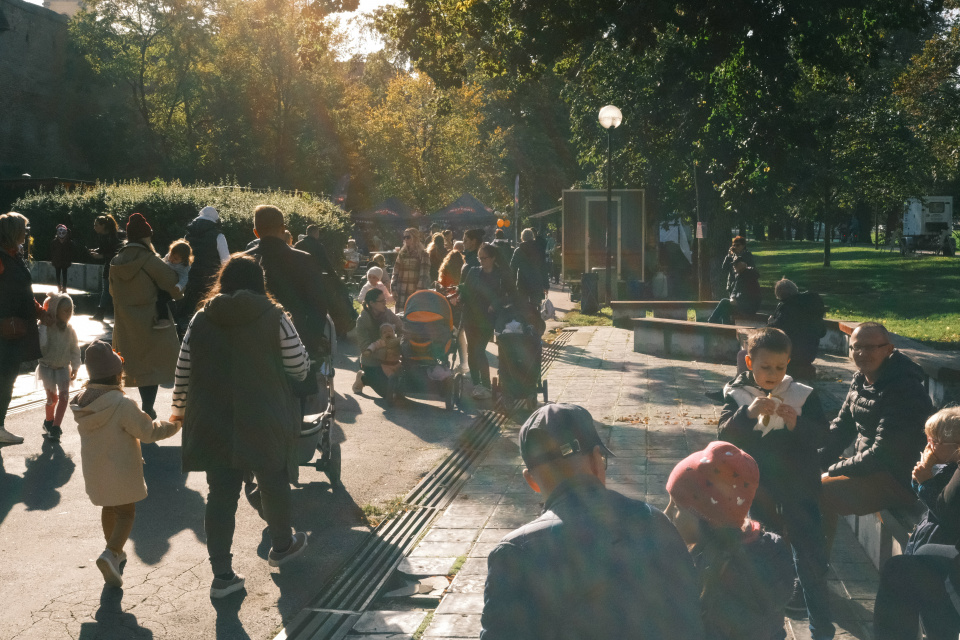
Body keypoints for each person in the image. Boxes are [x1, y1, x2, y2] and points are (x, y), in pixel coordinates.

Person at [480, 403, 704, 640]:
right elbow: (691, 619)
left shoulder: (513, 554)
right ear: (598, 460)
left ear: (531, 481)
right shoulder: (654, 521)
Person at [172, 255, 311, 598]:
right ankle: (282, 545)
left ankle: (222, 575)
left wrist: (178, 412)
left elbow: (183, 370)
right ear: (258, 283)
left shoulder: (201, 319)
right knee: (272, 481)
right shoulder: (274, 316)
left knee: (220, 494)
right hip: (264, 414)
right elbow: (299, 365)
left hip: (212, 418)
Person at [718, 327, 834, 639]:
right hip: (759, 490)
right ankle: (768, 628)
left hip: (800, 488)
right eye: (765, 367)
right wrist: (747, 414)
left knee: (809, 558)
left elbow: (822, 436)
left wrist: (798, 423)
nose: (772, 374)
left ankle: (821, 627)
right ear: (749, 362)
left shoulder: (802, 395)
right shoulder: (738, 394)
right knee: (764, 556)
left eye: (780, 367)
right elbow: (724, 438)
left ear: (788, 364)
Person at [71, 340, 180, 588]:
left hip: (95, 469)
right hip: (120, 469)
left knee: (109, 508)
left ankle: (115, 555)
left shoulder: (83, 402)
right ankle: (111, 552)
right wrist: (174, 424)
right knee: (126, 513)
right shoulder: (121, 404)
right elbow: (148, 432)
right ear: (117, 374)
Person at [819, 322, 933, 553]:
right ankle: (806, 569)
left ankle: (813, 573)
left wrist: (833, 469)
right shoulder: (861, 379)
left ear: (888, 349)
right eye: (856, 347)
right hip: (872, 469)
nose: (861, 353)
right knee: (800, 481)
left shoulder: (904, 389)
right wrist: (815, 458)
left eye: (871, 347)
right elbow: (842, 428)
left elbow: (884, 454)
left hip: (899, 479)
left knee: (816, 493)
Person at [665, 441, 795, 639]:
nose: (666, 513)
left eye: (676, 506)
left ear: (707, 519)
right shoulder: (765, 551)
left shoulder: (715, 578)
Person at [874, 407, 960, 640]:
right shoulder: (944, 467)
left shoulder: (951, 470)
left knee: (936, 616)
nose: (929, 445)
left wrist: (925, 481)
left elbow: (946, 510)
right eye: (928, 439)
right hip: (931, 540)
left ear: (957, 447)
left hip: (944, 546)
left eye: (936, 441)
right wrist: (921, 478)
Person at [109, 213, 184, 419]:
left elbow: (112, 292)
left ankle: (134, 410)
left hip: (125, 320)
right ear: (146, 237)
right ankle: (148, 407)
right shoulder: (150, 260)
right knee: (152, 365)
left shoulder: (116, 260)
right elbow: (172, 284)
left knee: (135, 364)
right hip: (152, 320)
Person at [246, 205, 328, 359]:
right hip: (297, 340)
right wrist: (310, 346)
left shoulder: (242, 261)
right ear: (283, 228)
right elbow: (319, 307)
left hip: (254, 347)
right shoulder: (304, 260)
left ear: (255, 232)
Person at [0, 212, 47, 445]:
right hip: (5, 330)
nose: (26, 234)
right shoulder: (4, 258)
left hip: (14, 329)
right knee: (5, 378)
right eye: (23, 229)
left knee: (7, 377)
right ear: (13, 232)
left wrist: (40, 312)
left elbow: (25, 294)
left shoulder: (13, 256)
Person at [459, 243, 512, 400]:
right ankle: (477, 385)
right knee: (472, 351)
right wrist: (460, 296)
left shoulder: (501, 275)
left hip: (487, 318)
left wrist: (495, 303)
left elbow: (509, 295)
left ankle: (486, 385)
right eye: (479, 258)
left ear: (493, 258)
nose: (481, 261)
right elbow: (465, 290)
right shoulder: (473, 272)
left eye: (484, 258)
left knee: (479, 349)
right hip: (470, 316)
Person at [37, 292, 81, 442]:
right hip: (47, 368)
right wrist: (43, 327)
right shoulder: (46, 328)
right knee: (52, 399)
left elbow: (74, 348)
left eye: (70, 310)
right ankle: (48, 421)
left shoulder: (70, 330)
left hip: (63, 367)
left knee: (64, 397)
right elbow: (42, 346)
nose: (69, 314)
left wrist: (75, 367)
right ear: (55, 310)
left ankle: (56, 427)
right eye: (65, 310)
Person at [766, 278, 826, 381]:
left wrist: (771, 322)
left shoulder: (787, 307)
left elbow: (776, 330)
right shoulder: (811, 304)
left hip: (792, 355)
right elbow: (822, 332)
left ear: (779, 294)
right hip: (810, 353)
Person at [182, 206, 229, 321]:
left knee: (188, 316)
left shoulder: (188, 235)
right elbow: (226, 262)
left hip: (189, 280)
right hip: (209, 283)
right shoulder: (218, 236)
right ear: (215, 221)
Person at [352, 288, 403, 397]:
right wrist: (385, 353)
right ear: (371, 303)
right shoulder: (362, 320)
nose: (385, 303)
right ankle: (363, 378)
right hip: (371, 362)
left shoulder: (388, 313)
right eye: (382, 301)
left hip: (391, 361)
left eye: (385, 300)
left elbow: (401, 327)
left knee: (401, 391)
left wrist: (402, 341)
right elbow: (365, 347)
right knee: (388, 393)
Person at [707, 256, 761, 324]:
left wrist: (737, 300)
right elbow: (735, 290)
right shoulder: (740, 275)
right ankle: (726, 328)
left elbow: (748, 294)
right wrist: (732, 298)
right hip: (743, 304)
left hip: (750, 306)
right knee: (725, 308)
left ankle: (711, 322)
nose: (733, 266)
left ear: (742, 264)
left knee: (724, 302)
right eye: (733, 264)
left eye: (736, 264)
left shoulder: (748, 274)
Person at [390, 228, 430, 312]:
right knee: (400, 318)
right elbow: (395, 272)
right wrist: (393, 288)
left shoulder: (423, 254)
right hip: (401, 291)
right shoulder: (402, 253)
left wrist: (418, 293)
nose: (405, 239)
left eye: (408, 237)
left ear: (415, 238)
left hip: (414, 292)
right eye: (404, 237)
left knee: (413, 318)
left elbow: (424, 276)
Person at [90, 215, 121, 322]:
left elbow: (117, 253)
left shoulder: (116, 237)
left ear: (103, 226)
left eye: (96, 225)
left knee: (110, 291)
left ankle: (101, 313)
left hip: (117, 267)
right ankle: (100, 313)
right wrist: (96, 250)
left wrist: (101, 256)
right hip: (108, 266)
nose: (94, 227)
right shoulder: (103, 236)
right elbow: (104, 249)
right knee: (106, 290)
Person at [156, 239, 191, 329]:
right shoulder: (169, 257)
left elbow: (184, 279)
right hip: (164, 283)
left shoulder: (183, 267)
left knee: (161, 299)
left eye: (175, 259)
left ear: (183, 260)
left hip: (172, 288)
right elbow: (163, 262)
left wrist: (178, 286)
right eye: (171, 255)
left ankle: (164, 320)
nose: (171, 259)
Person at [510, 227, 549, 308]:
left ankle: (525, 320)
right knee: (535, 305)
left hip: (522, 283)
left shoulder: (518, 251)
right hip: (536, 282)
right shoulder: (539, 249)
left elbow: (513, 268)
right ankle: (535, 319)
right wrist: (546, 285)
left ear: (522, 238)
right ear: (533, 237)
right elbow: (543, 268)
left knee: (523, 307)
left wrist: (511, 284)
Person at [50, 224, 74, 293]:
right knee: (58, 275)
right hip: (57, 261)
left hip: (65, 261)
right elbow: (52, 252)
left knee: (64, 275)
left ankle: (64, 288)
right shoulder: (54, 242)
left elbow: (71, 251)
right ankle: (59, 287)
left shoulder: (69, 242)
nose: (61, 234)